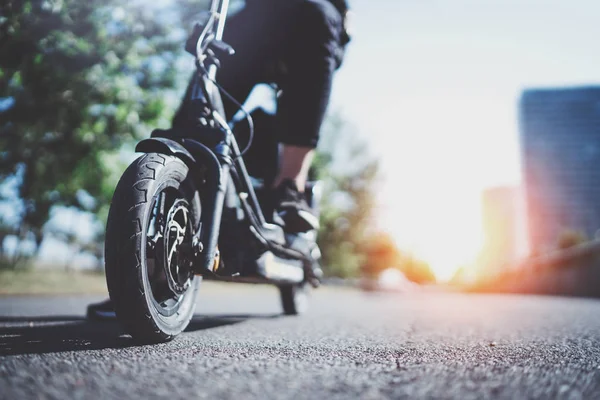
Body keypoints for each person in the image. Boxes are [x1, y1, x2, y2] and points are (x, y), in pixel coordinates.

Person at [87, 0, 351, 319]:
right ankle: (148, 273)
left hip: (314, 15)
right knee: (203, 95)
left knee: (312, 13)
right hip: (262, 11)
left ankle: (290, 187)